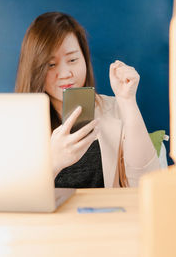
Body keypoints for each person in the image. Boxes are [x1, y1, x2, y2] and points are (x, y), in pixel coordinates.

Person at [15, 12, 159, 188]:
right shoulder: (17, 124)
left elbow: (146, 182)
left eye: (73, 59)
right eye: (51, 65)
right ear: (35, 69)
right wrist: (51, 163)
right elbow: (13, 198)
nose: (66, 73)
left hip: (105, 214)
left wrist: (127, 101)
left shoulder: (114, 107)